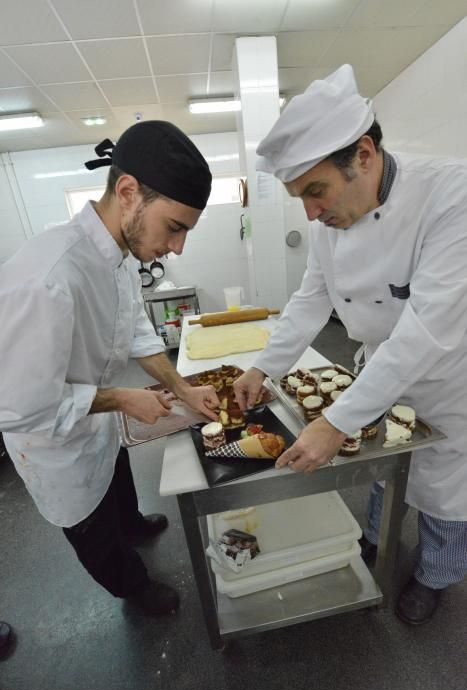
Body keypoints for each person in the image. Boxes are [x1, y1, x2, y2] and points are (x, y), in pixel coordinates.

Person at [234, 65, 467, 625]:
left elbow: (424, 332)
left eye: (315, 191)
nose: (311, 213)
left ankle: (435, 575)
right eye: (301, 198)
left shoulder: (449, 196)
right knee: (382, 470)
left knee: (443, 491)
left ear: (363, 154)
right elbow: (311, 298)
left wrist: (335, 422)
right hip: (377, 371)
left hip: (446, 376)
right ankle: (371, 542)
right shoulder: (328, 223)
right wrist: (264, 366)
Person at [0, 121, 220, 616]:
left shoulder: (118, 254)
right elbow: (21, 408)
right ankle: (132, 588)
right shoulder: (47, 279)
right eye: (175, 227)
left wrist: (181, 388)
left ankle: (134, 523)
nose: (178, 246)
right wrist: (122, 398)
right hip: (52, 445)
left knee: (117, 482)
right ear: (127, 192)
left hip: (94, 423)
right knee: (93, 530)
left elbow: (137, 331)